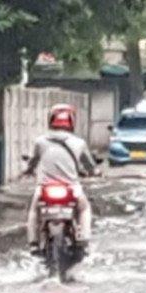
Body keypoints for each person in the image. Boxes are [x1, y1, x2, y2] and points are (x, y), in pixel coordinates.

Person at [24, 104, 99, 256]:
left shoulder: (40, 142)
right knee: (84, 208)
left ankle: (33, 243)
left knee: (34, 210)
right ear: (72, 121)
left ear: (51, 120)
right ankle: (84, 238)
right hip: (71, 188)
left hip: (45, 187)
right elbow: (90, 165)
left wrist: (29, 170)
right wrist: (95, 172)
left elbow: (33, 161)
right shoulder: (79, 143)